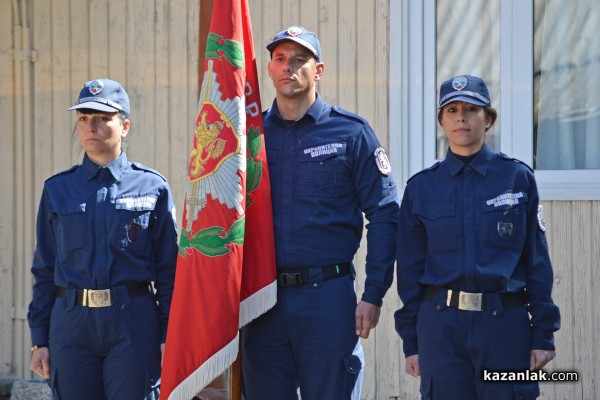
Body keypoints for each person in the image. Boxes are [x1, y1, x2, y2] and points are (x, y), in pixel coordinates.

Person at [241, 26, 399, 400]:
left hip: (326, 298)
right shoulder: (249, 138)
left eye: (299, 60)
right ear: (269, 68)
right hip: (263, 302)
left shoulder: (351, 133)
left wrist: (373, 294)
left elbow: (385, 213)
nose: (288, 68)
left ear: (319, 70)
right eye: (280, 59)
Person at [395, 74, 561, 399]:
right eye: (452, 109)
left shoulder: (517, 179)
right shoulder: (421, 189)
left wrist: (543, 334)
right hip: (442, 330)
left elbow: (537, 262)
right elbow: (410, 273)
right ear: (442, 120)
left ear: (488, 119)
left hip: (503, 327)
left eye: (471, 109)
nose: (461, 117)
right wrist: (411, 342)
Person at [27, 78, 179, 399]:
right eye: (83, 118)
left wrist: (169, 335)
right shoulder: (57, 189)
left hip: (133, 323)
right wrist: (39, 339)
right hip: (72, 325)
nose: (90, 127)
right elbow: (44, 269)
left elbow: (169, 272)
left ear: (125, 126)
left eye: (101, 118)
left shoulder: (152, 187)